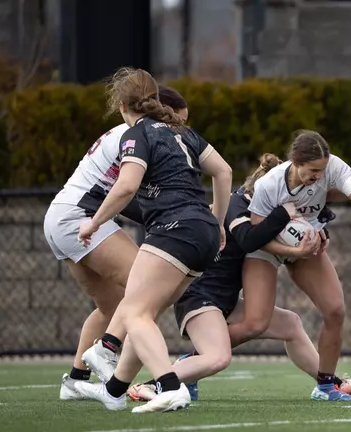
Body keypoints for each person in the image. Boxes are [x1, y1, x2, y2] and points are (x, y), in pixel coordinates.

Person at [128, 153, 351, 403]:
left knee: (291, 324)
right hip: (201, 297)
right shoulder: (238, 205)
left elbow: (297, 224)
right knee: (218, 357)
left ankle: (329, 385)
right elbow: (250, 239)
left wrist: (318, 232)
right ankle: (153, 384)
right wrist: (291, 237)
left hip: (226, 300)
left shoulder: (271, 208)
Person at [71, 67, 233, 413]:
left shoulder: (137, 134)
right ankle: (113, 386)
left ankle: (169, 385)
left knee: (137, 312)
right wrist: (217, 223)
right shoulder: (182, 132)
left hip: (173, 228)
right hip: (202, 231)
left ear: (122, 106)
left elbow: (127, 186)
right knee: (139, 308)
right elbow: (224, 171)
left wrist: (93, 223)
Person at [42, 85, 190, 401]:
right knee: (144, 289)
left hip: (64, 216)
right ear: (157, 110)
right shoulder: (139, 136)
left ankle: (76, 380)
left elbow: (131, 197)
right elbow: (127, 192)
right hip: (79, 217)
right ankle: (149, 376)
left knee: (112, 308)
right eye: (175, 121)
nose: (178, 131)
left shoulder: (133, 132)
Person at [227, 130, 351, 402]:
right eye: (312, 171)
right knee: (256, 323)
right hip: (268, 248)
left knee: (335, 311)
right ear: (295, 162)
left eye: (322, 170)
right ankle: (195, 361)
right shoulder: (269, 184)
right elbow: (258, 237)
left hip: (306, 247)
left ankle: (326, 386)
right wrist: (293, 250)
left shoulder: (332, 167)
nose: (319, 176)